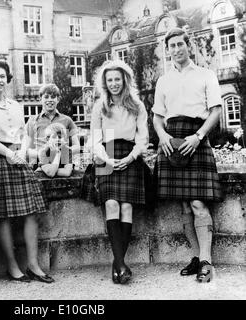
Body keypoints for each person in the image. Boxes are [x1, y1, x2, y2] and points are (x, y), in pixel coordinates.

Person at [0, 59, 54, 284]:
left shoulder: (15, 105)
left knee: (31, 212)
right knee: (4, 217)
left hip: (18, 159)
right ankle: (12, 266)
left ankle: (33, 264)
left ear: (7, 79)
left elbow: (22, 135)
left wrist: (22, 152)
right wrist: (8, 153)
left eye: (2, 76)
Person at [152, 27, 223, 283]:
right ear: (167, 49)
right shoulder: (163, 80)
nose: (177, 49)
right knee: (183, 204)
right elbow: (157, 116)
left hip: (195, 137)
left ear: (188, 45)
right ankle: (195, 258)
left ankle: (206, 261)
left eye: (180, 44)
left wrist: (198, 136)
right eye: (172, 46)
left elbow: (215, 110)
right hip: (171, 140)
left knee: (197, 203)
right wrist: (162, 136)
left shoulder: (206, 74)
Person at [90, 59, 149, 284]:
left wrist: (130, 157)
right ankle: (122, 265)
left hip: (129, 153)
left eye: (117, 79)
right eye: (110, 80)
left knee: (126, 206)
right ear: (104, 83)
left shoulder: (137, 104)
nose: (114, 83)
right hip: (107, 152)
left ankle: (118, 265)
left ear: (125, 80)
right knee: (112, 204)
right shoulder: (100, 106)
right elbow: (95, 140)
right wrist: (108, 159)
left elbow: (143, 138)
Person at [26, 83, 80, 178]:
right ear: (40, 99)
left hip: (63, 164)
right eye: (46, 97)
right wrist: (42, 153)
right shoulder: (33, 121)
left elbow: (77, 147)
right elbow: (28, 150)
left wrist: (62, 151)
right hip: (41, 164)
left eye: (53, 97)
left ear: (58, 99)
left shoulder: (67, 120)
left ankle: (51, 171)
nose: (50, 100)